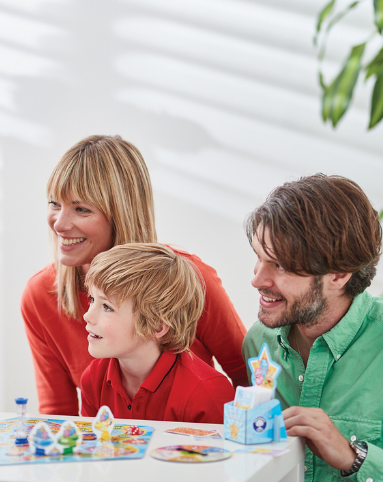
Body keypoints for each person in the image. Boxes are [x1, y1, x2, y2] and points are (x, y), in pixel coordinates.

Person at [21, 135, 247, 416]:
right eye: (54, 203)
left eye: (81, 209)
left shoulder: (189, 279)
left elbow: (249, 378)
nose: (60, 224)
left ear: (121, 214)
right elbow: (59, 416)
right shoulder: (40, 294)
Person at [243, 174, 383, 480]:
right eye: (258, 257)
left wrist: (352, 457)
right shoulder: (258, 343)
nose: (257, 279)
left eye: (280, 265)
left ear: (338, 275)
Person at [80, 243, 234, 422]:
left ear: (157, 327)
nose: (87, 315)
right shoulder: (93, 379)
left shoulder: (207, 394)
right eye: (92, 299)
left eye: (107, 307)